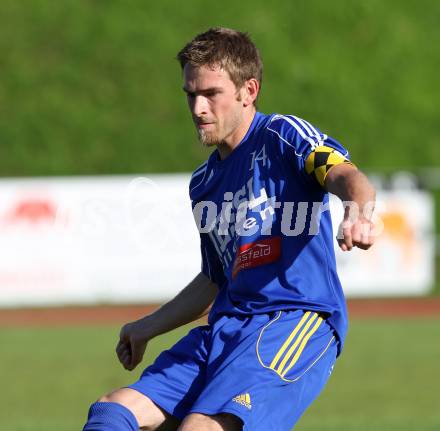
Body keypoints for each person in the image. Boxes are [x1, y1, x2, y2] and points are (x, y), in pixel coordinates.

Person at [83, 27, 376, 431]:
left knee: (200, 428)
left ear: (248, 90)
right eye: (190, 94)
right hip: (225, 328)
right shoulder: (203, 185)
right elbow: (216, 279)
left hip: (293, 320)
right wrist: (145, 327)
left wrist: (357, 212)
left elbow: (346, 174)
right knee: (112, 411)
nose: (198, 108)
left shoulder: (283, 137)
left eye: (210, 94)